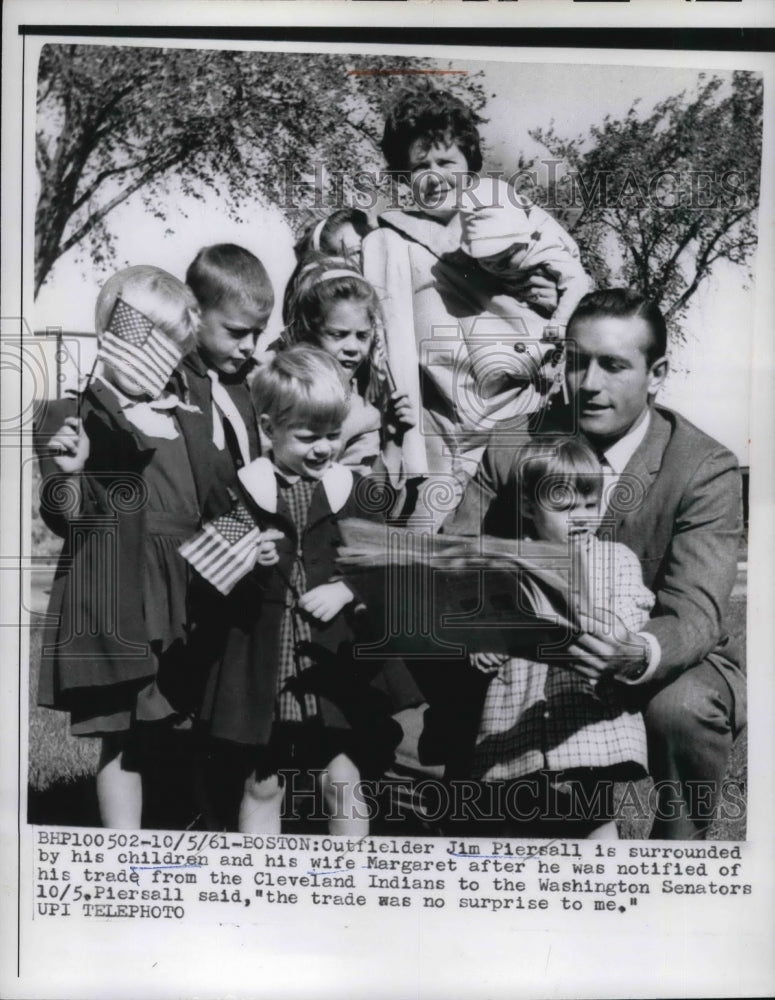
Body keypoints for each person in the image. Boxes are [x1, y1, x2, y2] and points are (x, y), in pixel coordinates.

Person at [445, 288, 745, 839]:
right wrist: (484, 622)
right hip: (526, 651)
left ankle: (677, 866)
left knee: (682, 708)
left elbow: (695, 613)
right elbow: (456, 556)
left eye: (613, 365)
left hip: (654, 654)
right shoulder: (516, 442)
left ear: (656, 374)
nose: (587, 383)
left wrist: (636, 651)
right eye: (577, 362)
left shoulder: (703, 468)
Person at [37, 265, 227, 829]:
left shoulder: (189, 416)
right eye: (144, 339)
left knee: (195, 721)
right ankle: (123, 852)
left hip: (189, 585)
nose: (158, 358)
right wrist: (72, 472)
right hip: (121, 593)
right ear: (110, 334)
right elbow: (66, 515)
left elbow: (218, 497)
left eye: (172, 345)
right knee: (121, 734)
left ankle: (205, 833)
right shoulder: (74, 416)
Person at [198, 346, 401, 834]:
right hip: (264, 655)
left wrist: (346, 590)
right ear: (269, 429)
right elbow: (208, 576)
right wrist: (251, 563)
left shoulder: (351, 490)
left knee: (341, 777)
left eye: (332, 435)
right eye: (308, 437)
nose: (323, 448)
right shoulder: (239, 489)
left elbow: (383, 561)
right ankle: (260, 875)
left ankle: (351, 876)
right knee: (263, 783)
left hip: (331, 658)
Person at [362, 85, 571, 522]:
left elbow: (573, 294)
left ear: (469, 166)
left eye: (446, 162)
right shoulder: (390, 242)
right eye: (420, 166)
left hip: (521, 420)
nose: (433, 176)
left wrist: (556, 300)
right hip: (443, 435)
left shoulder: (512, 223)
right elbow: (388, 348)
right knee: (427, 549)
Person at [467, 436, 654, 839]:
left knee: (592, 809)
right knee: (518, 810)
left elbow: (631, 614)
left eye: (589, 504)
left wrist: (607, 625)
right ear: (528, 507)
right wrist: (485, 645)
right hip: (519, 705)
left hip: (586, 705)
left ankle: (605, 870)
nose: (581, 518)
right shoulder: (508, 563)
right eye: (566, 507)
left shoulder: (615, 559)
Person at [282, 256, 415, 483]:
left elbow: (370, 497)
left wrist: (393, 440)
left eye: (362, 336)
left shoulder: (362, 416)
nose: (353, 348)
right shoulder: (272, 387)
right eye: (338, 335)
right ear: (307, 332)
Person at [184, 243, 275, 470]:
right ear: (195, 312)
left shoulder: (254, 380)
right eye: (236, 332)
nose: (249, 347)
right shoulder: (175, 383)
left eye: (257, 334)